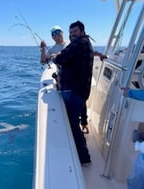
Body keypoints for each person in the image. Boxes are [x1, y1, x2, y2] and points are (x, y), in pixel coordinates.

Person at [51, 20, 93, 166]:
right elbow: (71, 60)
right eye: (71, 32)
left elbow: (61, 58)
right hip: (82, 90)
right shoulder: (86, 43)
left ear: (82, 31)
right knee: (76, 121)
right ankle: (82, 143)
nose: (72, 34)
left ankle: (84, 158)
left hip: (75, 91)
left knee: (72, 124)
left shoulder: (78, 43)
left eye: (74, 31)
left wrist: (55, 57)